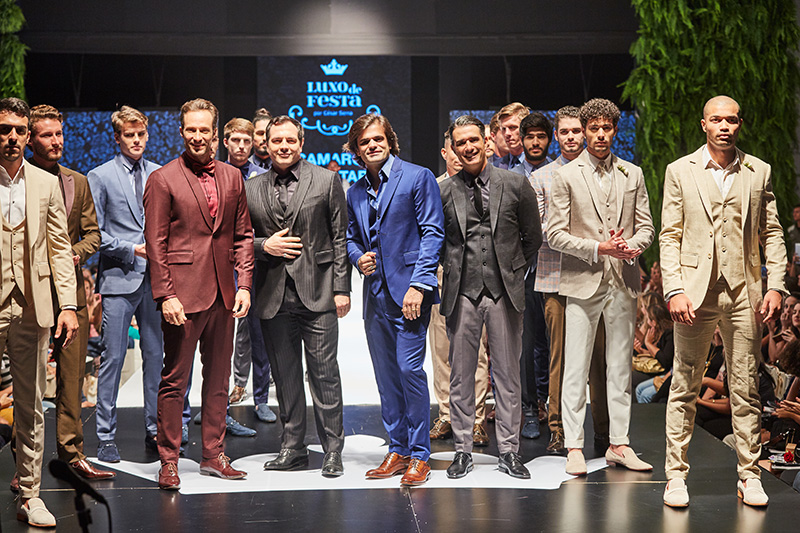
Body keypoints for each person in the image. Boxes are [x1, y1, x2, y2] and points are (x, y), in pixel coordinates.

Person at [661, 95, 787, 508]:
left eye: (731, 120)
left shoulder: (758, 170)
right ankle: (675, 475)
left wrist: (775, 284)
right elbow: (670, 234)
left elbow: (772, 232)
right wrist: (674, 289)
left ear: (739, 124)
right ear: (704, 124)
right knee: (684, 382)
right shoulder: (680, 170)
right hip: (695, 292)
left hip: (743, 291)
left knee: (746, 385)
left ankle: (749, 474)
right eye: (717, 120)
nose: (724, 127)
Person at [144, 98, 255, 490]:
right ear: (181, 132)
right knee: (175, 380)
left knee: (219, 379)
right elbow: (155, 243)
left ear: (215, 133)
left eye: (203, 129)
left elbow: (243, 236)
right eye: (190, 129)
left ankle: (213, 454)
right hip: (182, 296)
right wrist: (165, 294)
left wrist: (244, 284)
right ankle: (169, 460)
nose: (196, 136)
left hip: (224, 293)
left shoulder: (232, 177)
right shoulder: (163, 179)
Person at [548, 98, 655, 477]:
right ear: (584, 131)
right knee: (576, 367)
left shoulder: (632, 173)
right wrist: (599, 248)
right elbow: (554, 234)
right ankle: (574, 445)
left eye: (606, 128)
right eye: (593, 128)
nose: (599, 135)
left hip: (623, 280)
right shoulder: (566, 175)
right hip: (582, 281)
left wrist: (632, 246)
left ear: (614, 130)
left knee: (620, 367)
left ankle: (619, 443)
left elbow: (646, 226)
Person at [247, 115, 350, 477]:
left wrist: (341, 288)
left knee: (325, 374)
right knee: (285, 376)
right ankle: (293, 447)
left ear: (301, 143)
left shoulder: (326, 180)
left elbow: (340, 237)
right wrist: (264, 246)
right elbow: (240, 240)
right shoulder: (251, 188)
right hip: (273, 295)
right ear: (267, 144)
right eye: (277, 140)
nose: (284, 146)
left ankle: (333, 450)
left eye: (290, 140)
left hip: (318, 292)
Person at [439, 115, 541, 480]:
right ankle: (463, 450)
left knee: (508, 374)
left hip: (504, 292)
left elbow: (533, 237)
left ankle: (509, 451)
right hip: (462, 292)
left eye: (473, 140)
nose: (467, 147)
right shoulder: (443, 191)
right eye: (460, 143)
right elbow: (437, 240)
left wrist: (511, 270)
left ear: (486, 142)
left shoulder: (515, 184)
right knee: (461, 376)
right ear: (452, 149)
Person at [345, 113, 444, 486]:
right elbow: (351, 237)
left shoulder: (418, 177)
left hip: (410, 293)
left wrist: (420, 284)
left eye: (378, 139)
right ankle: (398, 449)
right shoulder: (355, 192)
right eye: (364, 142)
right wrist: (358, 257)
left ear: (390, 141)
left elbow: (433, 232)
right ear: (356, 150)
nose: (372, 145)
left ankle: (420, 454)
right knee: (386, 377)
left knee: (408, 370)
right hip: (375, 296)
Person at [0, 97, 78, 527]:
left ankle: (30, 494)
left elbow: (60, 249)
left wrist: (68, 304)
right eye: (4, 129)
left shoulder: (45, 184)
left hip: (33, 308)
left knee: (30, 404)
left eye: (19, 130)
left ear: (28, 136)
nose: (12, 137)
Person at [26, 105, 115, 481]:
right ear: (30, 139)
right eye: (46, 135)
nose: (55, 141)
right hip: (29, 292)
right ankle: (25, 462)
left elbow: (93, 233)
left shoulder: (76, 181)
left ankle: (72, 453)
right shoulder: (17, 180)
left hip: (72, 293)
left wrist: (72, 254)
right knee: (28, 381)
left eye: (59, 134)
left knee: (72, 377)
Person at [87, 105, 173, 460]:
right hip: (119, 278)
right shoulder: (100, 175)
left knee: (155, 357)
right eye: (129, 135)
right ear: (117, 138)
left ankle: (154, 429)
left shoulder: (159, 173)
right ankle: (106, 436)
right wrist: (130, 249)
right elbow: (94, 232)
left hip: (155, 280)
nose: (136, 140)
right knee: (113, 358)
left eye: (140, 134)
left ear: (147, 135)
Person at [530, 105, 609, 454]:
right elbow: (543, 232)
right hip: (556, 277)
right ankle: (557, 428)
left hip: (597, 277)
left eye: (577, 130)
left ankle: (604, 431)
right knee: (560, 357)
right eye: (565, 132)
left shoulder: (602, 172)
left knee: (598, 359)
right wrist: (591, 241)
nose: (572, 137)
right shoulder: (541, 178)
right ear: (556, 136)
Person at [428, 131, 491, 447]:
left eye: (468, 144)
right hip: (440, 278)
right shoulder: (432, 189)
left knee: (476, 351)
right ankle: (446, 414)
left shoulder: (486, 187)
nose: (461, 152)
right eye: (455, 148)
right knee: (441, 350)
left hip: (476, 278)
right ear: (446, 152)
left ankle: (476, 419)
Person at [222, 117, 275, 425]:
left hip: (255, 263)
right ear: (226, 142)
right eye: (236, 140)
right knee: (221, 339)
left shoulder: (263, 176)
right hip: (221, 264)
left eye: (246, 141)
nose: (242, 146)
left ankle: (262, 399)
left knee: (259, 334)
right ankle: (217, 403)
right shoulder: (216, 173)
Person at [515, 112, 554, 439]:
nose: (536, 142)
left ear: (548, 140)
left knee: (552, 343)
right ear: (522, 140)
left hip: (556, 267)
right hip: (523, 270)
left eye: (541, 136)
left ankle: (550, 404)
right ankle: (530, 407)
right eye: (530, 136)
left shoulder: (561, 173)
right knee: (526, 342)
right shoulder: (509, 176)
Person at [632, 293, 674, 403]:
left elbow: (665, 360)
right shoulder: (656, 331)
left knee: (642, 391)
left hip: (664, 371)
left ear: (654, 322)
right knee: (639, 388)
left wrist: (648, 343)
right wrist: (641, 350)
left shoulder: (669, 334)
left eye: (649, 320)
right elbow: (653, 353)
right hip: (657, 368)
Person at [496, 103, 529, 170]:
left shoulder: (543, 166)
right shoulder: (495, 166)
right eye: (504, 129)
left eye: (513, 127)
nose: (507, 133)